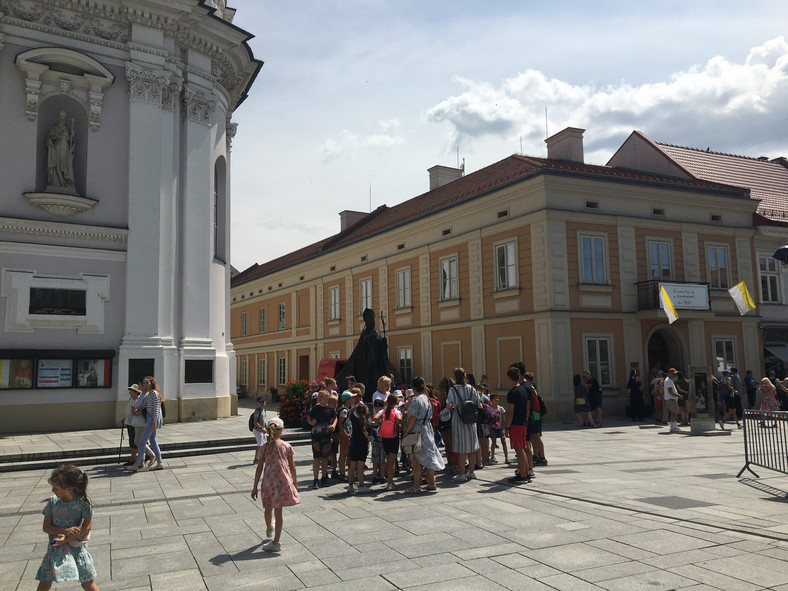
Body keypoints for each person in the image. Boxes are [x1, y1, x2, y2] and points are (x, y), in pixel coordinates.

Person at [36, 465, 99, 591]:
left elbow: (87, 527)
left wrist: (68, 538)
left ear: (69, 489)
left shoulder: (83, 503)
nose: (53, 490)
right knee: (45, 578)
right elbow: (46, 527)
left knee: (87, 580)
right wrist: (63, 532)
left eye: (56, 487)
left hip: (76, 545)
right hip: (55, 543)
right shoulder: (53, 502)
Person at [251, 417, 300, 552]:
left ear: (267, 430)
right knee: (279, 512)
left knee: (268, 508)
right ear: (282, 430)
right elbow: (292, 467)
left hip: (268, 483)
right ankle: (276, 542)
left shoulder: (264, 448)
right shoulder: (286, 446)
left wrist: (255, 486)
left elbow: (259, 468)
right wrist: (294, 482)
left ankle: (269, 528)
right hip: (282, 482)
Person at [402, 377, 445, 493]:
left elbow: (412, 418)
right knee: (429, 456)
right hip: (428, 429)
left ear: (414, 388)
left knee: (416, 459)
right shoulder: (426, 399)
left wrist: (407, 431)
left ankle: (416, 487)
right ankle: (432, 483)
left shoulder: (416, 400)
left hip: (418, 430)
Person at [446, 367, 480, 482]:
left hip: (459, 419)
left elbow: (449, 405)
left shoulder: (453, 390)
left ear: (455, 377)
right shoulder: (471, 389)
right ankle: (471, 471)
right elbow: (477, 402)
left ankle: (462, 473)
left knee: (461, 448)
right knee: (472, 447)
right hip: (471, 419)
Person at [126, 376, 164, 471]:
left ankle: (136, 464)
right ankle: (160, 462)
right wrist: (139, 409)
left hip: (151, 419)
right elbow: (146, 405)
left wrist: (154, 422)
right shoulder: (150, 394)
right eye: (144, 383)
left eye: (147, 383)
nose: (145, 385)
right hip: (149, 418)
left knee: (142, 442)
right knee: (153, 441)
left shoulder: (154, 393)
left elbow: (156, 409)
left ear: (152, 383)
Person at [307, 389, 336, 489]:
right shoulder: (315, 408)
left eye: (321, 396)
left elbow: (335, 418)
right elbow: (308, 418)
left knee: (325, 458)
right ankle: (315, 479)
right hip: (316, 437)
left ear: (327, 398)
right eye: (319, 396)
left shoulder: (330, 409)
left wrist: (333, 425)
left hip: (326, 436)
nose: (319, 398)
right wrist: (311, 423)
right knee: (316, 458)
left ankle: (324, 477)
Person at [506, 367, 530, 484]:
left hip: (515, 424)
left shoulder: (512, 392)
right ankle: (526, 472)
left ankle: (522, 475)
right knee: (523, 449)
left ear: (510, 378)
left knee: (519, 450)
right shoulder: (523, 390)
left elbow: (510, 411)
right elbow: (527, 407)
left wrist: (507, 426)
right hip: (523, 423)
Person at [374, 394, 402, 491]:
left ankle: (388, 481)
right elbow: (398, 419)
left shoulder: (383, 411)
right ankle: (390, 481)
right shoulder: (397, 411)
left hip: (385, 437)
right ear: (395, 403)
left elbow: (376, 418)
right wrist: (399, 423)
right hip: (393, 437)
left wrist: (381, 424)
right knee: (392, 461)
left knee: (387, 459)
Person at [122, 384, 153, 466]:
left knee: (137, 441)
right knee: (135, 441)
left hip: (136, 424)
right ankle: (140, 460)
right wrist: (125, 418)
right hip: (130, 423)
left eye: (131, 391)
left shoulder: (139, 400)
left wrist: (134, 411)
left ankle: (147, 456)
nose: (130, 393)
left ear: (136, 393)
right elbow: (129, 411)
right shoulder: (132, 399)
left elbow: (136, 411)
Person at [47, 110, 76, 191]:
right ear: (59, 118)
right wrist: (56, 136)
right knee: (57, 164)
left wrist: (72, 135)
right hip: (58, 147)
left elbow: (69, 140)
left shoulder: (67, 129)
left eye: (63, 118)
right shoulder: (55, 127)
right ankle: (56, 182)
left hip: (65, 148)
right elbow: (50, 138)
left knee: (66, 164)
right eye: (61, 117)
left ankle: (65, 182)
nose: (62, 119)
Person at [347, 402, 372, 493]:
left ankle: (350, 485)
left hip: (354, 444)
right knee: (360, 466)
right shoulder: (367, 424)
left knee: (352, 465)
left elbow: (348, 413)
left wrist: (355, 407)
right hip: (362, 445)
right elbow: (369, 438)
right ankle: (361, 485)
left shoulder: (353, 419)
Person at [488, 393, 509, 464]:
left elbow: (503, 419)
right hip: (493, 428)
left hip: (500, 428)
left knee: (503, 441)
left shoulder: (501, 408)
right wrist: (490, 429)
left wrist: (502, 428)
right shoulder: (490, 409)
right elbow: (489, 421)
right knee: (493, 442)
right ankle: (492, 456)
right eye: (494, 399)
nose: (496, 400)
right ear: (491, 400)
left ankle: (506, 457)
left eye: (497, 398)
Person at [663, 368, 683, 434]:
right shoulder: (668, 381)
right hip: (671, 398)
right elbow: (670, 391)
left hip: (673, 398)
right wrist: (678, 396)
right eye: (673, 374)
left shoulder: (669, 380)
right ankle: (672, 427)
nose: (675, 375)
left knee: (675, 413)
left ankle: (674, 426)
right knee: (674, 413)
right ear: (670, 373)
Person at [251, 396, 268, 463]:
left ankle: (263, 457)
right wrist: (261, 428)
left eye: (263, 402)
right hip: (258, 430)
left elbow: (263, 421)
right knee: (260, 445)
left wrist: (267, 428)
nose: (262, 403)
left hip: (262, 430)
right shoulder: (257, 411)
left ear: (265, 403)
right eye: (260, 402)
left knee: (264, 444)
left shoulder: (264, 410)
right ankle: (256, 458)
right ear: (257, 403)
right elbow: (255, 422)